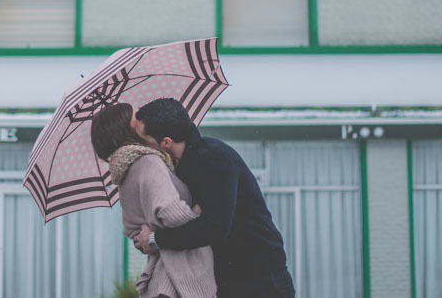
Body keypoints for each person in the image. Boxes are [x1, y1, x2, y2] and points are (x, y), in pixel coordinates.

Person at [131, 98, 295, 298]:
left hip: (260, 280)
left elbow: (214, 228)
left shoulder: (214, 159)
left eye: (142, 138)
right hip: (226, 279)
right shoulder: (176, 168)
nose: (138, 144)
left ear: (166, 142)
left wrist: (155, 239)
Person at [90, 103, 217, 298]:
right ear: (128, 130)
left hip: (166, 274)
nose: (143, 119)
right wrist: (199, 215)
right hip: (178, 277)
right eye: (137, 117)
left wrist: (153, 237)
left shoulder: (124, 172)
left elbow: (133, 230)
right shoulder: (148, 162)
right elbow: (170, 211)